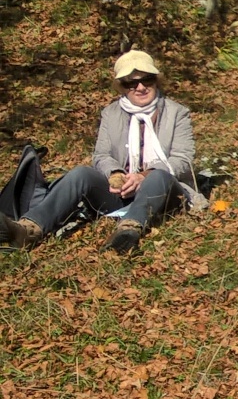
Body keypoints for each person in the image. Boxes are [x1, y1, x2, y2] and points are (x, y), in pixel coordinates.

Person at [0, 50, 203, 254]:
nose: (141, 87)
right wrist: (116, 174)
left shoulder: (177, 113)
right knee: (81, 173)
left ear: (156, 80)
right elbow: (101, 155)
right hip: (121, 192)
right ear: (122, 87)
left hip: (165, 193)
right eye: (131, 83)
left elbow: (182, 159)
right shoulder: (111, 113)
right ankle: (28, 229)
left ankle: (128, 231)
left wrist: (143, 176)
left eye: (147, 80)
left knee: (159, 176)